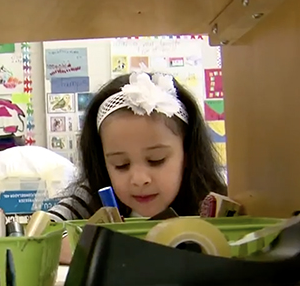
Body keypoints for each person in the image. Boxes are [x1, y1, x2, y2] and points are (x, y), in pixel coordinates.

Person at [48, 71, 227, 263]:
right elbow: (41, 231)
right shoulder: (92, 197)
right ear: (102, 162)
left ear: (188, 154)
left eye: (156, 160)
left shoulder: (214, 205)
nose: (140, 179)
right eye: (121, 165)